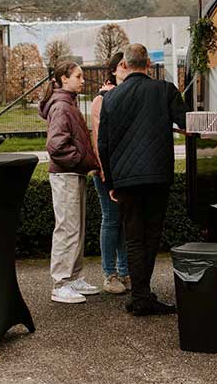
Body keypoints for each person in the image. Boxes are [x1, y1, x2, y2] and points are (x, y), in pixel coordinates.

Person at [98, 43, 188, 316]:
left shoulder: (110, 98)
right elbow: (186, 124)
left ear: (124, 64)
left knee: (134, 238)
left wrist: (111, 183)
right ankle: (142, 296)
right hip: (157, 176)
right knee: (151, 236)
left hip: (125, 180)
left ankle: (140, 295)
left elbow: (104, 144)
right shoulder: (164, 90)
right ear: (149, 63)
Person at [39, 61, 100, 303]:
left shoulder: (68, 103)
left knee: (76, 228)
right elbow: (56, 145)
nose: (82, 80)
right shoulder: (62, 106)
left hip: (72, 174)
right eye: (78, 76)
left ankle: (72, 277)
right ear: (64, 79)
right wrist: (80, 160)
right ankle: (60, 283)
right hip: (66, 175)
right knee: (67, 228)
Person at [91, 53, 130, 294]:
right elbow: (98, 139)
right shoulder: (102, 99)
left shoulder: (126, 96)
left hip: (125, 171)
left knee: (124, 222)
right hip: (107, 171)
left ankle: (125, 272)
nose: (127, 68)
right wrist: (106, 173)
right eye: (122, 66)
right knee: (111, 219)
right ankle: (110, 274)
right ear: (113, 71)